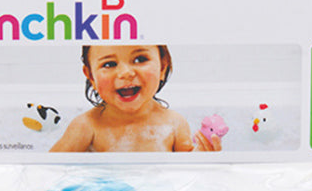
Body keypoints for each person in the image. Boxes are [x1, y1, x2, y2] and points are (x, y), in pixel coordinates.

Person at [50, 45, 220, 152]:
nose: (126, 73)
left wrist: (203, 156)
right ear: (90, 76)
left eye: (140, 59)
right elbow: (50, 170)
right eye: (109, 64)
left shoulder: (174, 123)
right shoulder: (86, 126)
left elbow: (185, 172)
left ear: (163, 67)